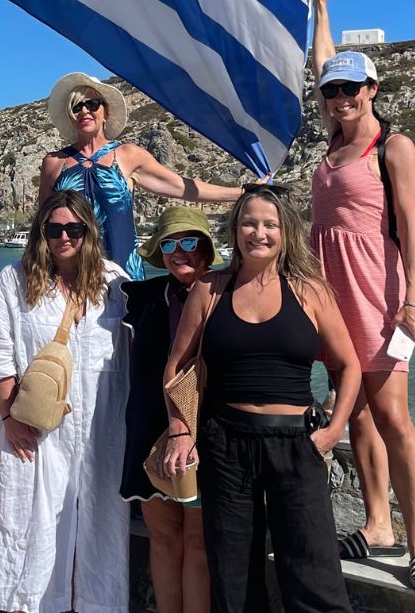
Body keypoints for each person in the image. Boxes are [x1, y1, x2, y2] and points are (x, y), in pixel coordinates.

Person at [309, 0, 415, 593]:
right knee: (355, 411)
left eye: (350, 88)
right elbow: (320, 61)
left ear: (372, 90)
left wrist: (413, 302)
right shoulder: (332, 144)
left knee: (393, 416)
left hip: (381, 292)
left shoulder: (393, 148)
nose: (339, 97)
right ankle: (377, 523)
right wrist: (321, 6)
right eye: (332, 89)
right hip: (331, 293)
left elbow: (412, 232)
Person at [163, 186, 361, 613]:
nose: (259, 233)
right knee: (234, 577)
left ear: (285, 231)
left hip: (297, 445)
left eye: (269, 224)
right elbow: (177, 368)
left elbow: (348, 367)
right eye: (249, 223)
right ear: (235, 231)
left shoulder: (312, 291)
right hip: (226, 444)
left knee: (314, 572)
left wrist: (333, 429)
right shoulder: (209, 290)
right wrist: (181, 430)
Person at [0, 190, 130, 613]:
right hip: (34, 432)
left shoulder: (115, 282)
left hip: (103, 431)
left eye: (74, 229)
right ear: (41, 232)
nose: (64, 237)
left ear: (88, 231)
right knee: (32, 531)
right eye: (54, 228)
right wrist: (8, 415)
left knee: (102, 531)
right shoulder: (15, 280)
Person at [39, 73, 244, 279]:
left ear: (105, 111)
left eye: (92, 104)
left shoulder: (128, 155)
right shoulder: (55, 162)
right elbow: (43, 223)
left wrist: (241, 193)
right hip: (70, 274)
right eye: (76, 107)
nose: (84, 110)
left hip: (122, 273)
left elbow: (181, 187)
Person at [121, 206, 221, 613]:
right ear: (159, 252)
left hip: (203, 435)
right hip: (148, 435)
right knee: (162, 539)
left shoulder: (225, 295)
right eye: (170, 243)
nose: (180, 251)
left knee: (197, 540)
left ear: (206, 249)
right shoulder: (138, 298)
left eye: (189, 241)